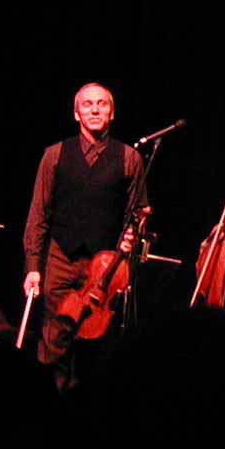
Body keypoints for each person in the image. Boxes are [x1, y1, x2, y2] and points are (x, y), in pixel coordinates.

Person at [22, 82, 145, 391]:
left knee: (99, 349)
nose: (94, 109)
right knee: (54, 342)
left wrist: (132, 237)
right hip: (60, 259)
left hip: (105, 267)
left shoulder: (130, 158)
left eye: (102, 104)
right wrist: (33, 266)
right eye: (87, 104)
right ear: (76, 113)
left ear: (112, 113)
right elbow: (38, 215)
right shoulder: (54, 155)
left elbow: (138, 213)